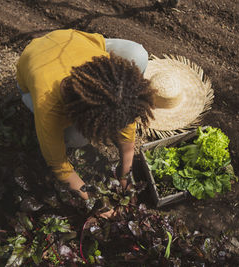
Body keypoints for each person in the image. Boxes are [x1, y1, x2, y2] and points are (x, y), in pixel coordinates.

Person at [16, 29, 155, 203]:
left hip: (69, 40)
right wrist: (94, 202)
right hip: (32, 68)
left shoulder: (106, 73)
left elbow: (123, 110)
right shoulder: (48, 106)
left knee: (138, 55)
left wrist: (125, 174)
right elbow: (59, 165)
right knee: (77, 138)